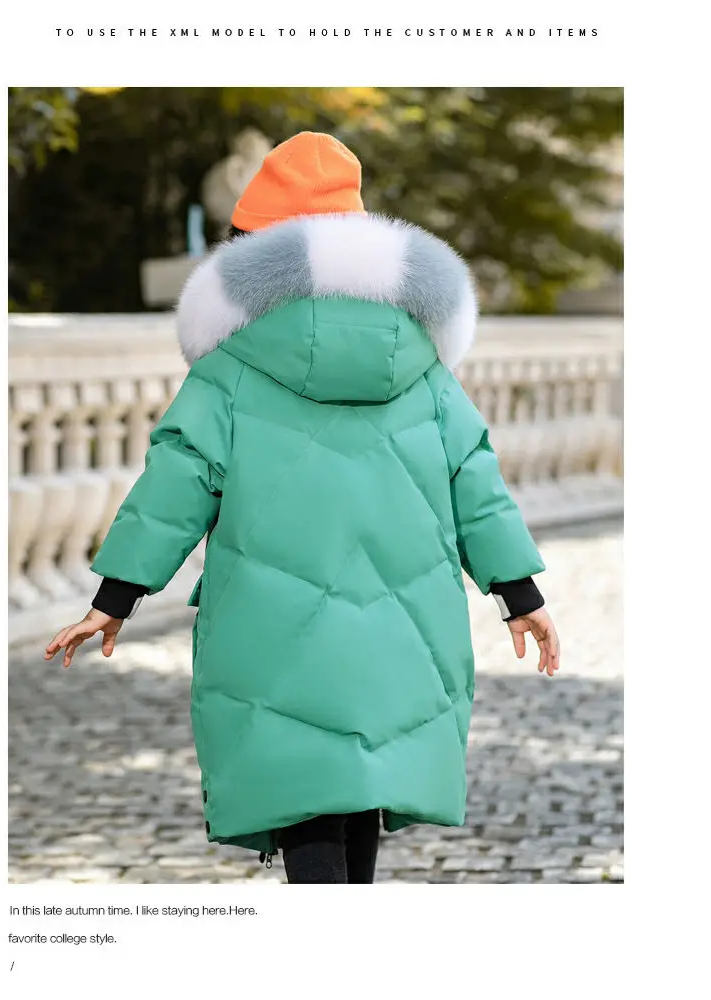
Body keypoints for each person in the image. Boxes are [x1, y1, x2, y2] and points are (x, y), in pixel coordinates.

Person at [44, 131, 560, 884]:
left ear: (249, 253)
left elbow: (175, 486)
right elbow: (474, 480)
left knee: (304, 783)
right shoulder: (422, 363)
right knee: (361, 779)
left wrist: (115, 597)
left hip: (269, 620)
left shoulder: (230, 366)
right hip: (403, 620)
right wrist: (520, 593)